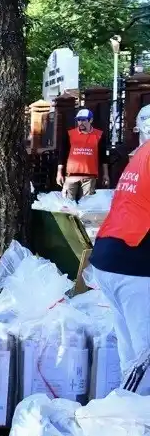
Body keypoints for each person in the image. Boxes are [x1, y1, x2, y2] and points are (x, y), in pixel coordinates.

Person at [88, 104, 150, 392]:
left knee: (133, 359)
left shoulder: (143, 154)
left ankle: (129, 425)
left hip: (110, 257)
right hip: (134, 263)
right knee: (145, 359)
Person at [57, 107, 108, 200]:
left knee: (86, 206)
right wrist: (59, 173)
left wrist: (105, 174)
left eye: (83, 120)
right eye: (79, 120)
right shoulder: (70, 134)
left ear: (91, 120)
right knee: (68, 206)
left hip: (89, 177)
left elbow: (103, 156)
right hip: (71, 176)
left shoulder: (99, 135)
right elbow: (62, 155)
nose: (81, 123)